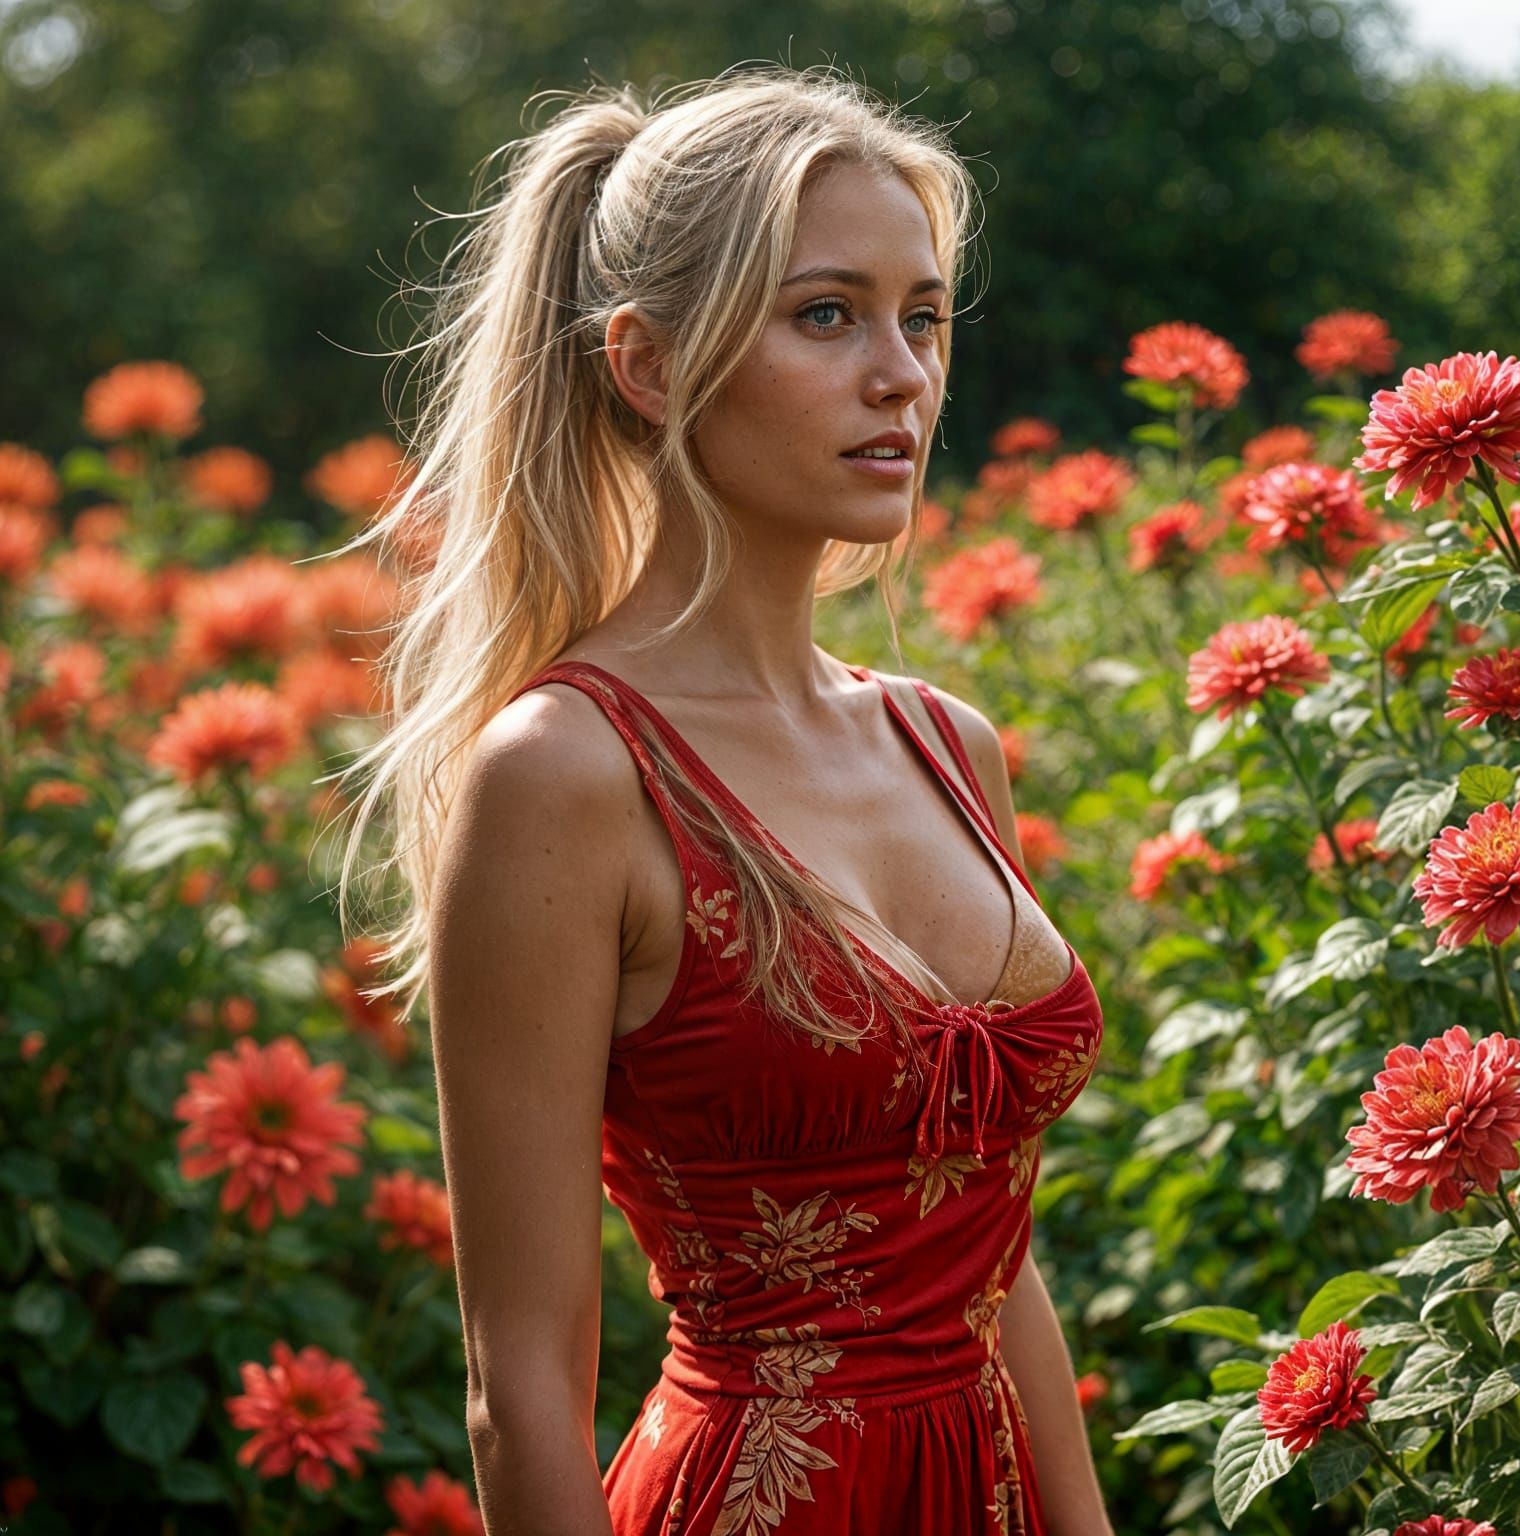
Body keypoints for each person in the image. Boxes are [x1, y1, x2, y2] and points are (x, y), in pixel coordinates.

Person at [331, 64, 1112, 1536]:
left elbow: (991, 1260)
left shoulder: (952, 745)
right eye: (826, 314)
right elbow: (520, 1383)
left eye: (923, 317)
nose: (903, 373)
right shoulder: (566, 773)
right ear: (644, 363)